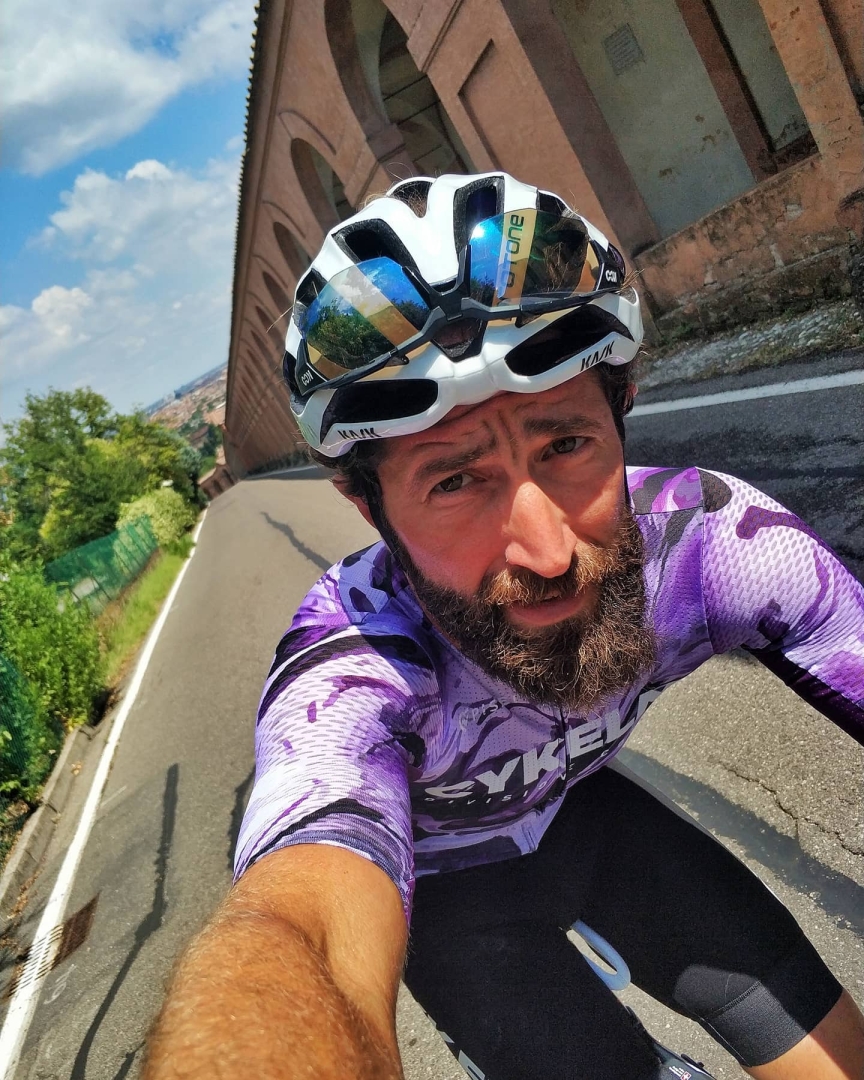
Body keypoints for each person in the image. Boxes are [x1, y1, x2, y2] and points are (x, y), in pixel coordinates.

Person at [143, 172, 864, 1080]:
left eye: (566, 444)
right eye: (453, 482)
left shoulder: (717, 545)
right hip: (448, 904)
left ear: (621, 413)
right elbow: (297, 932)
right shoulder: (353, 669)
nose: (549, 552)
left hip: (593, 822)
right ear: (368, 509)